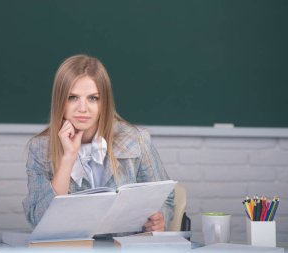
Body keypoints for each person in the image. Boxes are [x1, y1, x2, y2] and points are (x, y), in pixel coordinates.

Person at [22, 54, 174, 233]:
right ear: (59, 101)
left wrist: (160, 218)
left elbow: (166, 199)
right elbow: (39, 220)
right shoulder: (39, 149)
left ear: (104, 102)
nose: (83, 108)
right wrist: (68, 157)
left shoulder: (136, 139)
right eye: (72, 97)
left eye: (93, 98)